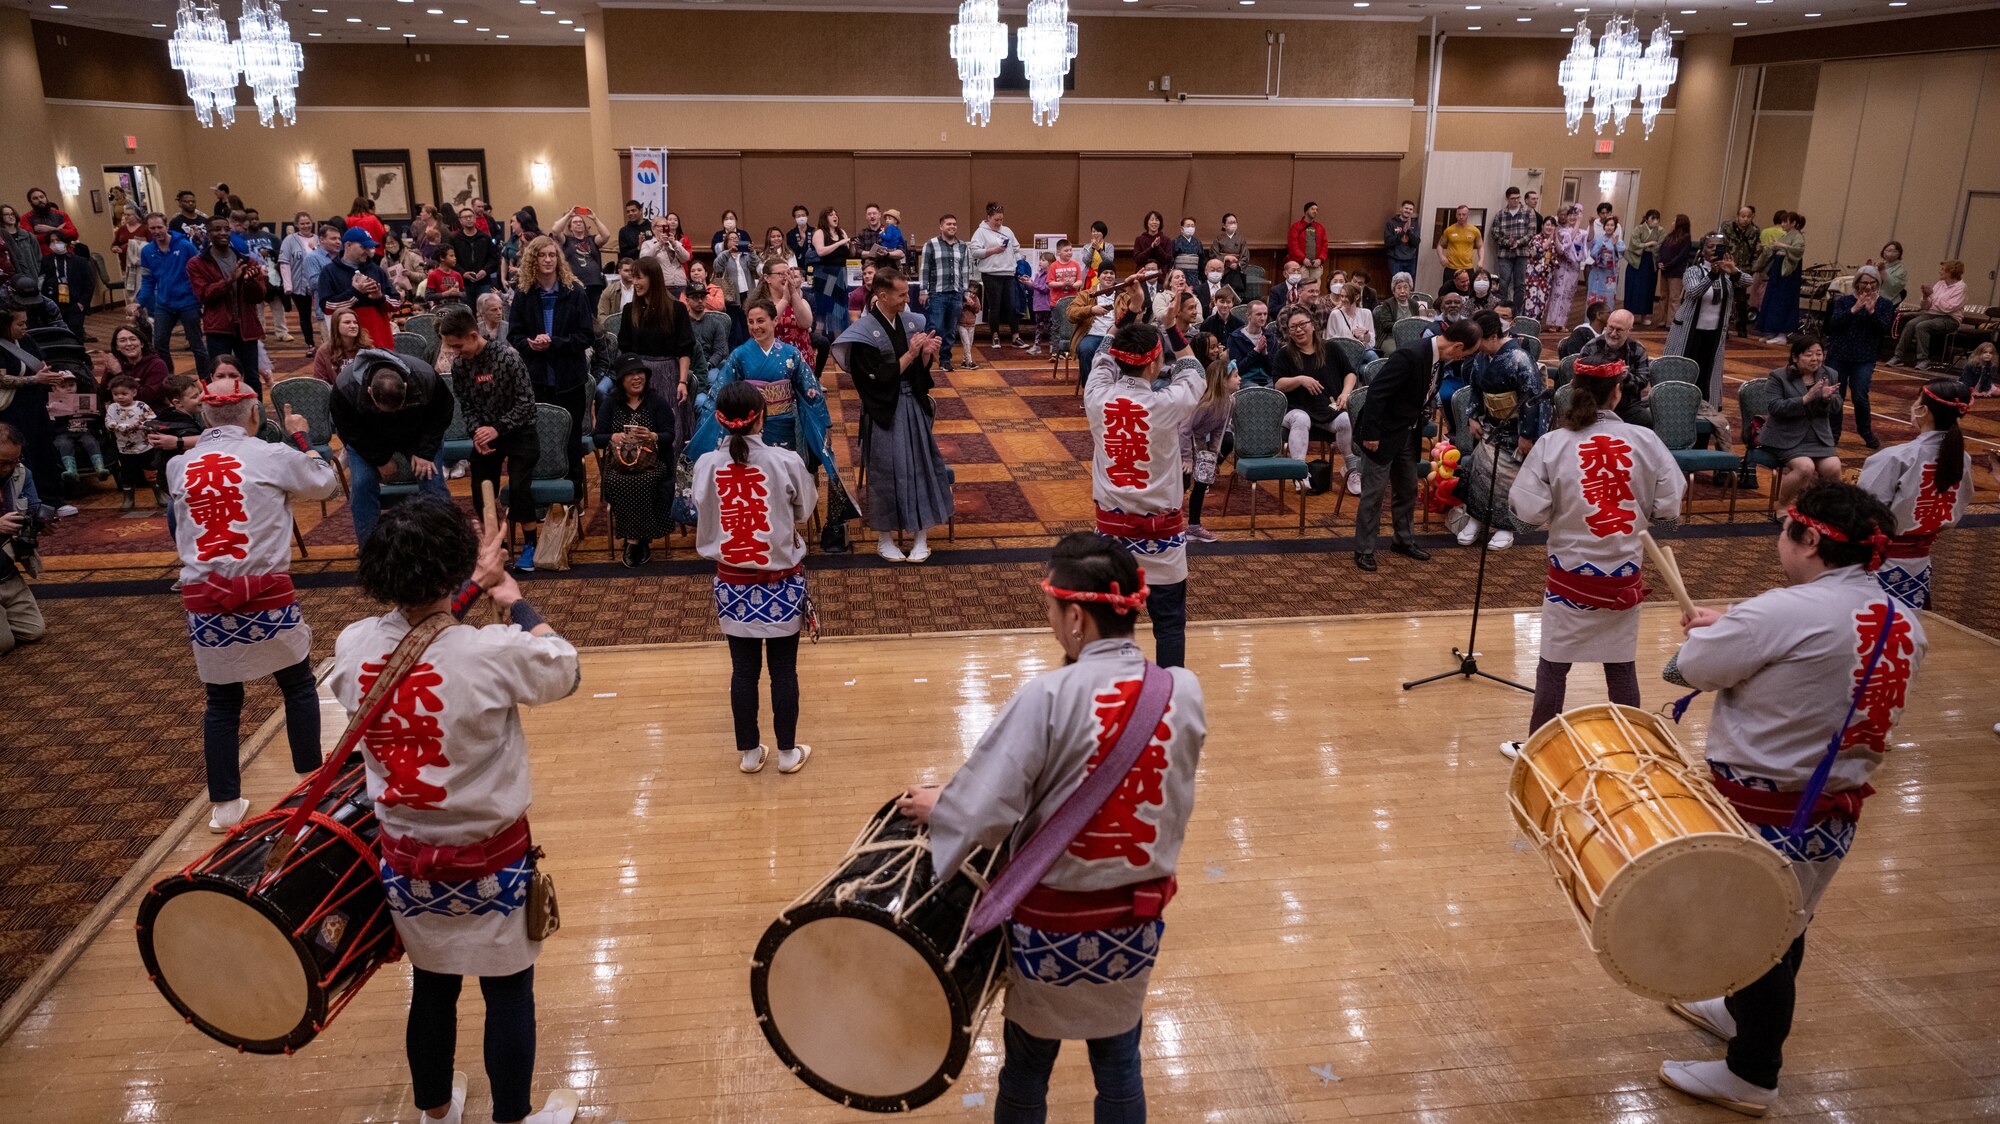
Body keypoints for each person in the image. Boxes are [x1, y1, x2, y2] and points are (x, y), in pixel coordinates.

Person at [895, 532, 1206, 1124]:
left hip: (1052, 926)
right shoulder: (1181, 691)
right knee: (1119, 1065)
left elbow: (984, 811)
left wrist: (944, 804)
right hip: (1134, 919)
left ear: (1074, 615)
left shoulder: (1047, 695)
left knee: (1027, 1068)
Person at [1655, 482, 1925, 1119]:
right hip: (1831, 808)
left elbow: (1682, 671)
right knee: (1788, 918)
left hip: (1762, 807)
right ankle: (1737, 1011)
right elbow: (1808, 658)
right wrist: (1736, 626)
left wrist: (1715, 635)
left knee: (1756, 933)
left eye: (1784, 530)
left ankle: (1753, 1074)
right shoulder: (1902, 618)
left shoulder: (1779, 611)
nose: (1777, 540)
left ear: (1808, 542)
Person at [327, 496, 580, 1124]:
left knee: (433, 987)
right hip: (490, 859)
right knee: (507, 990)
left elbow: (422, 636)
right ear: (453, 572)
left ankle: (434, 1114)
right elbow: (564, 669)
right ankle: (513, 1118)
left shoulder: (354, 645)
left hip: (405, 858)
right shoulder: (494, 650)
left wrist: (467, 584)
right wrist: (511, 598)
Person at [167, 374, 338, 830]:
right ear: (254, 416)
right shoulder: (273, 454)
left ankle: (224, 806)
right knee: (298, 686)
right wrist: (303, 435)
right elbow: (325, 484)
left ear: (204, 415)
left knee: (221, 703)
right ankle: (309, 786)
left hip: (205, 598)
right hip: (265, 593)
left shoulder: (179, 465)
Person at [1499, 359, 1683, 760]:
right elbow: (1669, 512)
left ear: (1572, 393)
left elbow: (1524, 518)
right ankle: (1636, 746)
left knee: (1553, 665)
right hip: (1623, 575)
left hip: (1571, 576)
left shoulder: (1554, 443)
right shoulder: (1645, 440)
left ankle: (1539, 747)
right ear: (1618, 393)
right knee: (1620, 665)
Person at [691, 379, 817, 775]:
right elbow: (805, 510)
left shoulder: (706, 465)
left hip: (732, 581)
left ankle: (748, 753)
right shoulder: (786, 461)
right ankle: (786, 753)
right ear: (762, 416)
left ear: (719, 420)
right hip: (780, 579)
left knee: (743, 670)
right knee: (783, 670)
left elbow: (700, 509)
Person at [1085, 312, 1203, 668]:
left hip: (1111, 540)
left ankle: (1112, 695)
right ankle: (1170, 697)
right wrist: (1171, 328)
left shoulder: (1097, 398)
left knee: (1109, 629)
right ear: (1154, 362)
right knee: (1169, 624)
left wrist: (1127, 315)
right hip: (1161, 540)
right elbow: (1194, 368)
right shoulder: (1166, 403)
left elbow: (1102, 357)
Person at [834, 268, 953, 563]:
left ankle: (921, 535)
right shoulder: (862, 334)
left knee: (920, 469)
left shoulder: (910, 323)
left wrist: (925, 355)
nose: (906, 299)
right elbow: (872, 382)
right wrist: (911, 354)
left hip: (912, 406)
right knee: (885, 472)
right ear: (882, 296)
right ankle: (884, 537)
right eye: (901, 295)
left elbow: (918, 376)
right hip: (883, 410)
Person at [1354, 319, 1481, 571]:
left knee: (1407, 489)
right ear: (1457, 347)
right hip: (1382, 433)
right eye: (1466, 353)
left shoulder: (1439, 358)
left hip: (1407, 433)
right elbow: (1377, 392)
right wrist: (1371, 432)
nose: (1464, 358)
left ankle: (1403, 539)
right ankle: (1364, 549)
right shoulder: (1411, 354)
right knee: (1374, 494)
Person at [1858, 379, 1973, 609]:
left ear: (1923, 410)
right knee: (1908, 624)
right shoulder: (1963, 458)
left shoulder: (1895, 457)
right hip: (1919, 561)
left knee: (1870, 625)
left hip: (1883, 561)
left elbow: (1863, 514)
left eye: (1917, 401)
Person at [438, 305, 541, 553]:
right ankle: (495, 543)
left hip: (520, 432)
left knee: (518, 489)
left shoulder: (508, 357)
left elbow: (527, 404)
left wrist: (497, 428)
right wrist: (476, 433)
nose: (455, 352)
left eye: (458, 346)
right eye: (451, 347)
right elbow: (467, 405)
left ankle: (529, 545)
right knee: (480, 489)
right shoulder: (461, 366)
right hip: (486, 436)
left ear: (473, 336)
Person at [331, 347, 455, 543]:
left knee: (432, 481)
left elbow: (442, 413)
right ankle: (370, 549)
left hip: (417, 434)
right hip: (368, 438)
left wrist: (425, 451)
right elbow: (349, 430)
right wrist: (379, 459)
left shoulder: (424, 376)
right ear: (370, 391)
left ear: (405, 386)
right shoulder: (346, 386)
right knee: (362, 485)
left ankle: (442, 543)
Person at [509, 235, 594, 515]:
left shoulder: (575, 292)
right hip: (537, 377)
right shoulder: (524, 294)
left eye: (552, 255)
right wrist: (531, 345)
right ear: (533, 260)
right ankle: (543, 497)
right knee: (539, 439)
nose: (548, 260)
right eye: (542, 255)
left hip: (569, 377)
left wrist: (553, 343)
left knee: (570, 440)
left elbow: (585, 336)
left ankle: (574, 495)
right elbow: (514, 335)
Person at [1456, 311, 1546, 551]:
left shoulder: (1519, 357)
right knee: (1480, 474)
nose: (1477, 347)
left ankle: (1506, 528)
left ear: (1494, 335)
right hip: (1491, 425)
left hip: (1516, 429)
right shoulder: (1482, 358)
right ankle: (1476, 519)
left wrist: (1527, 435)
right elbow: (1475, 387)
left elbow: (1532, 399)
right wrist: (1473, 416)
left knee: (1507, 480)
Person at [594, 355, 675, 567]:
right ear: (621, 380)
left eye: (639, 373)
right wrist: (615, 436)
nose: (636, 378)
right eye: (630, 374)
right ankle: (641, 540)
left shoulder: (657, 402)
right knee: (619, 481)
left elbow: (670, 435)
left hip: (652, 463)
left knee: (644, 481)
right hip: (620, 465)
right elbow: (597, 437)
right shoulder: (611, 403)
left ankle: (632, 542)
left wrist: (653, 436)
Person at [1274, 307, 1360, 495]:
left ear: (1312, 325)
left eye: (1302, 324)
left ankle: (1351, 469)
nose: (1298, 330)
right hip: (1295, 408)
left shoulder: (1331, 348)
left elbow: (1350, 373)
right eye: (1293, 327)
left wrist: (1345, 393)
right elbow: (1278, 385)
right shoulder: (1284, 354)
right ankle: (1299, 472)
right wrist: (1300, 380)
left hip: (1327, 407)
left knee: (1345, 419)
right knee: (1302, 419)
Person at [1759, 335, 1844, 511]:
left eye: (1819, 354)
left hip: (1818, 437)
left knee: (1833, 467)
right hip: (1785, 436)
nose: (1815, 359)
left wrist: (1826, 399)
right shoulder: (1778, 376)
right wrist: (1805, 399)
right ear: (1796, 357)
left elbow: (1837, 407)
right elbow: (1774, 407)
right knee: (1805, 467)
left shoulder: (1830, 374)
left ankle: (1820, 509)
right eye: (1809, 354)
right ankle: (1782, 507)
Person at [188, 215, 270, 392]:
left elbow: (258, 297)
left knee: (251, 377)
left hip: (246, 326)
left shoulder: (247, 260)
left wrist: (250, 282)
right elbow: (205, 295)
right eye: (217, 229)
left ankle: (257, 417)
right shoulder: (197, 264)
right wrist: (230, 280)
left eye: (226, 229)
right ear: (208, 234)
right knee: (219, 376)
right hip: (218, 328)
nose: (223, 233)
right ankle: (220, 416)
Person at [1822, 266, 1896, 448]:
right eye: (1864, 282)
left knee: (1860, 396)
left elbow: (1883, 330)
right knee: (1836, 396)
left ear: (1877, 283)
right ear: (1857, 283)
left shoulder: (1885, 304)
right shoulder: (1844, 301)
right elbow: (1833, 325)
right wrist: (1854, 309)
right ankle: (1834, 433)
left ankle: (1866, 432)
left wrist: (1871, 312)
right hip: (1839, 354)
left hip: (1864, 357)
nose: (1868, 287)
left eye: (1872, 283)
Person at [1664, 232, 1739, 409]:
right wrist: (1711, 275)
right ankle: (1675, 404)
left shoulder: (1727, 273)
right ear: (1702, 250)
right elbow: (1694, 292)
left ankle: (1705, 408)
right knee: (1684, 368)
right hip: (1689, 331)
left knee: (1707, 371)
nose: (1714, 250)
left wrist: (1733, 271)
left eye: (1718, 247)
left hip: (1713, 333)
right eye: (1710, 246)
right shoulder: (1693, 271)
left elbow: (1747, 281)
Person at [137, 212, 212, 378]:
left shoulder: (185, 246)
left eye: (159, 227)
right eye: (152, 228)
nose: (156, 231)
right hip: (164, 304)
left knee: (196, 344)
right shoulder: (147, 251)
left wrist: (200, 296)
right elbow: (148, 281)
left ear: (167, 227)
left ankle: (206, 379)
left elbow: (199, 270)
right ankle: (168, 378)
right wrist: (139, 302)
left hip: (188, 302)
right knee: (160, 343)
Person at [0, 422, 49, 656]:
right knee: (4, 644)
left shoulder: (21, 472)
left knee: (33, 631)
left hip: (5, 568)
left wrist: (42, 519)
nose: (8, 468)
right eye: (2, 462)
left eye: (14, 460)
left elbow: (32, 505)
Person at [1183, 353, 1237, 544]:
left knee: (1201, 481)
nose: (1240, 380)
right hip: (1181, 440)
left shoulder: (1230, 401)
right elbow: (1184, 429)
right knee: (1182, 482)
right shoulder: (1205, 404)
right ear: (1223, 380)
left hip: (1199, 440)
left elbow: (1218, 432)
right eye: (1236, 376)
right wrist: (1187, 459)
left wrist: (1212, 456)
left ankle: (1194, 526)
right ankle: (1165, 523)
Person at [320, 227, 398, 349]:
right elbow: (327, 307)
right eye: (363, 247)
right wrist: (355, 293)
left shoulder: (376, 270)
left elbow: (396, 303)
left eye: (369, 247)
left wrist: (380, 297)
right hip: (348, 344)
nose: (368, 251)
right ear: (348, 245)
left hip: (379, 341)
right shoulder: (329, 272)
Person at [1577, 309, 1655, 429]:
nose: (1613, 333)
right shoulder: (1591, 348)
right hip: (1594, 405)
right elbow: (1580, 380)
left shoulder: (1637, 349)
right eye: (1610, 328)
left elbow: (1643, 381)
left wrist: (1625, 376)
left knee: (1646, 421)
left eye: (1619, 330)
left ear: (1629, 331)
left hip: (1627, 407)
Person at [1888, 260, 1967, 371]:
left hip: (1950, 319)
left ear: (1952, 272)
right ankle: (1898, 356)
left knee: (1922, 326)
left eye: (1943, 269)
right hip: (1932, 314)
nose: (1940, 271)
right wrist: (1925, 297)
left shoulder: (1960, 288)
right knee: (1911, 324)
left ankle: (1923, 360)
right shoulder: (1940, 284)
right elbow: (1926, 307)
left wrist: (1932, 295)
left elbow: (1948, 308)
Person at [919, 213, 974, 372]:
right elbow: (925, 269)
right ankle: (926, 358)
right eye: (948, 224)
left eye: (954, 224)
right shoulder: (931, 244)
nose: (952, 227)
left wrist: (966, 292)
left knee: (950, 329)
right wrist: (923, 290)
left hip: (956, 294)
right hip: (937, 293)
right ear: (941, 227)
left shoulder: (963, 246)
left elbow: (965, 271)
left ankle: (945, 360)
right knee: (935, 326)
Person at [971, 203, 1025, 350]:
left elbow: (1016, 249)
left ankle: (1016, 336)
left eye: (1001, 219)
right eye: (996, 220)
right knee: (994, 307)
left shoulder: (1007, 231)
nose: (999, 223)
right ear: (988, 218)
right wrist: (994, 250)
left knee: (1012, 306)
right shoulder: (980, 232)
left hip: (1008, 273)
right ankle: (995, 335)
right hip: (991, 274)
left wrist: (1021, 266)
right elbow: (975, 252)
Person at [102, 375, 158, 511]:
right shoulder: (113, 407)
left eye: (124, 394)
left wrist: (141, 425)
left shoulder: (141, 406)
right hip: (124, 449)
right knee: (127, 473)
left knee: (151, 469)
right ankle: (128, 498)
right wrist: (123, 427)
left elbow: (153, 421)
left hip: (145, 446)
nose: (120, 397)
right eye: (115, 394)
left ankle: (159, 493)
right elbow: (109, 423)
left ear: (134, 392)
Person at [1753, 212, 1807, 344]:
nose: (1782, 224)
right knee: (1772, 298)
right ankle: (1772, 331)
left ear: (1793, 223)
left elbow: (1798, 251)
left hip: (1788, 273)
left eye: (1785, 222)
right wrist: (1763, 248)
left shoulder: (1798, 236)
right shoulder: (1786, 236)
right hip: (1778, 269)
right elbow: (1772, 250)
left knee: (1783, 300)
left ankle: (1782, 333)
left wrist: (1783, 246)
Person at [38, 236, 94, 342]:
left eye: (58, 240)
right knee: (57, 336)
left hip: (75, 303)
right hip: (54, 305)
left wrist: (82, 303)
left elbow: (89, 284)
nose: (55, 243)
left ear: (65, 242)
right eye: (52, 241)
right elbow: (41, 281)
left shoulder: (79, 261)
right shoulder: (46, 260)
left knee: (76, 335)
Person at [278, 212, 320, 350]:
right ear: (297, 225)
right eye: (302, 223)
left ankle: (328, 341)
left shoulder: (319, 239)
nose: (306, 226)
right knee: (305, 315)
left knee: (322, 314)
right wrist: (288, 286)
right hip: (299, 286)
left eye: (308, 222)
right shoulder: (289, 240)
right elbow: (284, 263)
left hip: (319, 285)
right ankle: (310, 344)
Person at [1490, 189, 1534, 309]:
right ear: (1507, 199)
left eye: (1518, 198)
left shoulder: (1528, 212)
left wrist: (1519, 242)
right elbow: (1495, 234)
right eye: (1513, 198)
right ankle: (1501, 310)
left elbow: (1531, 233)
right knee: (1503, 282)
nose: (1516, 200)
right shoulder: (1501, 214)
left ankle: (1516, 311)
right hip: (1505, 253)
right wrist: (1507, 242)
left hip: (1522, 253)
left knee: (1519, 284)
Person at [1547, 205, 1589, 331]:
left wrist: (1588, 224)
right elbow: (1567, 242)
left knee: (1568, 295)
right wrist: (1578, 222)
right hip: (1562, 266)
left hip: (1574, 268)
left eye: (1574, 215)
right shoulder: (1562, 231)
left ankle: (1562, 322)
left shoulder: (1582, 233)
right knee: (1557, 293)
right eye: (1570, 215)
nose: (1571, 218)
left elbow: (1588, 243)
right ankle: (1553, 322)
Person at [451, 208, 502, 306]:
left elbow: (494, 259)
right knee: (467, 310)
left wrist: (485, 271)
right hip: (463, 282)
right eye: (465, 217)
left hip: (483, 281)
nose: (469, 219)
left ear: (475, 218)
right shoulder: (455, 239)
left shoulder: (485, 238)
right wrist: (463, 273)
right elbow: (452, 261)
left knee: (485, 308)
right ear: (460, 221)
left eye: (471, 216)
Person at [1623, 209, 1664, 326]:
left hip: (1651, 262)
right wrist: (1648, 244)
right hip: (1636, 262)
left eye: (1657, 219)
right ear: (1647, 219)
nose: (1655, 222)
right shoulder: (1638, 229)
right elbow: (1634, 244)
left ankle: (1644, 316)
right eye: (1653, 219)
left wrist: (1647, 246)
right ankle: (1628, 316)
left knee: (1647, 289)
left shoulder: (1661, 231)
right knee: (1633, 288)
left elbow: (1659, 245)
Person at [1519, 215, 1561, 323]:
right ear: (1542, 226)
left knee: (1542, 301)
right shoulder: (1536, 238)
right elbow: (1538, 251)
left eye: (1552, 225)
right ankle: (1526, 324)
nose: (1549, 227)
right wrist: (1550, 239)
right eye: (1547, 224)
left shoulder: (1554, 241)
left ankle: (1536, 324)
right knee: (1531, 299)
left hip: (1546, 276)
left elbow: (1560, 252)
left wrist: (1554, 239)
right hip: (1533, 274)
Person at [1655, 214, 1693, 325]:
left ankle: (1671, 322)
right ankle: (1662, 320)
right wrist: (1659, 262)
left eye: (1674, 221)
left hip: (1676, 272)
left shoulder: (1686, 238)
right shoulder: (1669, 236)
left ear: (1680, 223)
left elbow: (1681, 256)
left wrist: (1667, 264)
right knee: (1663, 296)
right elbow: (1661, 250)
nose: (1672, 223)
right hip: (1665, 270)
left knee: (1674, 298)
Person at [1227, 298, 1273, 385]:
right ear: (1248, 316)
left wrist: (1265, 355)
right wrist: (1256, 351)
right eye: (1259, 314)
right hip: (1245, 379)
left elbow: (1273, 370)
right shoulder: (1236, 338)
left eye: (1265, 314)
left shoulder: (1270, 337)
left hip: (1267, 379)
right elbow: (1238, 369)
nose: (1263, 318)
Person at [1287, 202, 1331, 286]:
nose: (1315, 211)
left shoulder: (1320, 227)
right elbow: (1293, 246)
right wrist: (1303, 259)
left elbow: (1325, 246)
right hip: (1301, 265)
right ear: (1306, 211)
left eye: (1316, 210)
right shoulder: (1296, 227)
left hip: (1316, 266)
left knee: (1315, 288)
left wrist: (1320, 259)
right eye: (1312, 209)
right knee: (1302, 288)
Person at [1587, 213, 1625, 311]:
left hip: (1609, 274)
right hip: (1597, 273)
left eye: (1612, 225)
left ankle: (1606, 322)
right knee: (1594, 296)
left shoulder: (1618, 241)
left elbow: (1620, 254)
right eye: (1607, 225)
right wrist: (1600, 250)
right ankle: (1591, 321)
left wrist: (1615, 246)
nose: (1609, 227)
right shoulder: (1599, 240)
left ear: (1615, 227)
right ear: (1604, 227)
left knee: (1608, 297)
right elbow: (1593, 253)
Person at [1437, 204, 1483, 283]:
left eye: (1463, 214)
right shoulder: (1449, 230)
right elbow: (1440, 245)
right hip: (1451, 268)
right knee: (1447, 293)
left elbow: (1480, 246)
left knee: (1467, 293)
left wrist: (1481, 261)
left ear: (1468, 215)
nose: (1461, 217)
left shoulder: (1475, 230)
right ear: (1456, 215)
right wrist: (1441, 257)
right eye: (1459, 214)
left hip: (1467, 268)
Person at [23, 189, 77, 254]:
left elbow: (74, 234)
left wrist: (50, 229)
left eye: (42, 197)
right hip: (43, 257)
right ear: (30, 202)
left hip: (66, 254)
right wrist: (58, 231)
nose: (40, 200)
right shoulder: (26, 218)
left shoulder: (61, 214)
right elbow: (30, 239)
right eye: (35, 198)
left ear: (46, 198)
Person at [1131, 211, 1174, 285]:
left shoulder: (1166, 240)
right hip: (1142, 277)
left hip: (1161, 278)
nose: (1154, 222)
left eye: (1157, 220)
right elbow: (1138, 259)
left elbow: (1167, 259)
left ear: (1160, 223)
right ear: (1147, 223)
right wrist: (1151, 247)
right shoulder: (1139, 239)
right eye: (1152, 219)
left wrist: (1157, 247)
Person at [1384, 200, 1421, 285]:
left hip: (1410, 260)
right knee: (1396, 285)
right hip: (1395, 260)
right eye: (1406, 208)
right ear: (1401, 209)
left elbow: (1416, 243)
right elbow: (1388, 242)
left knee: (1409, 285)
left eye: (1410, 209)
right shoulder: (1391, 223)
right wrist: (1402, 232)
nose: (1408, 211)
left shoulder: (1415, 224)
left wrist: (1409, 231)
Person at [1870, 240, 1907, 309]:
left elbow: (1894, 285)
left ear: (1899, 253)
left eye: (1894, 251)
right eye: (1888, 250)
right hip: (1872, 297)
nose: (1890, 253)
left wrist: (1882, 271)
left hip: (1888, 300)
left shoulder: (1901, 270)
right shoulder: (1880, 264)